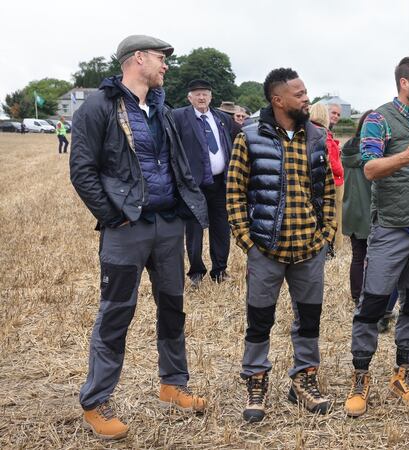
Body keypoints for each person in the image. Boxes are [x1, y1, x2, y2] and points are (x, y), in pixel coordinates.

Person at [69, 34, 209, 440]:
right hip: (126, 229)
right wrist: (115, 217)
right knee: (116, 313)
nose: (166, 66)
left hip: (168, 227)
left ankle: (173, 384)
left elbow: (175, 162)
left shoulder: (160, 109)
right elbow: (82, 171)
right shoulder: (99, 106)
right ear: (138, 59)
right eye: (161, 59)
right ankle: (96, 401)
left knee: (172, 307)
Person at [227, 67, 337, 421]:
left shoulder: (317, 138)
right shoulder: (249, 136)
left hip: (309, 249)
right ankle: (256, 381)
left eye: (305, 92)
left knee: (309, 320)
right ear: (278, 100)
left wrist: (325, 236)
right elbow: (234, 193)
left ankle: (304, 380)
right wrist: (249, 242)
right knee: (259, 321)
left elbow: (328, 192)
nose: (307, 98)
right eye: (299, 93)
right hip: (266, 250)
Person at [344, 56, 409, 418]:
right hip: (389, 229)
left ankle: (403, 374)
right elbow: (369, 168)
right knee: (371, 306)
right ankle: (361, 378)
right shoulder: (379, 120)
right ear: (404, 83)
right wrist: (404, 157)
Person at [173, 79, 234, 288]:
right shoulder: (179, 117)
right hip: (194, 185)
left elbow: (233, 143)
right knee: (194, 231)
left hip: (220, 183)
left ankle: (220, 270)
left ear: (211, 96)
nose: (201, 97)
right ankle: (196, 272)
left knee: (222, 228)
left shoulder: (223, 118)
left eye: (205, 94)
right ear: (189, 97)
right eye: (197, 94)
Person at [341, 110, 375, 304]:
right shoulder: (371, 152)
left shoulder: (347, 148)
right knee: (374, 257)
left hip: (350, 209)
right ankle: (370, 296)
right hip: (369, 208)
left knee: (358, 256)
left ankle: (357, 296)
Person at [309, 102, 343, 255]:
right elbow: (331, 161)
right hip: (332, 180)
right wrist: (342, 170)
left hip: (316, 179)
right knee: (332, 216)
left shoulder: (309, 130)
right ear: (325, 114)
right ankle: (330, 247)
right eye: (333, 113)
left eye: (338, 114)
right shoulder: (322, 133)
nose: (335, 116)